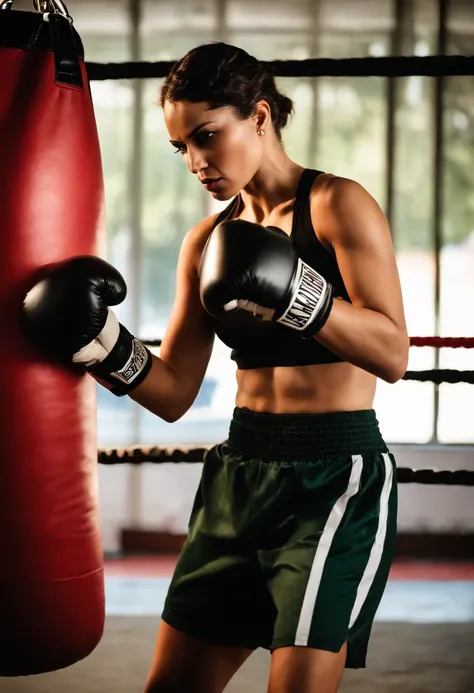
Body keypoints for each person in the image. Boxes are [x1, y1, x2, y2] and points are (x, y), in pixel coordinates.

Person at [21, 42, 409, 693]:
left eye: (208, 136)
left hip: (333, 478)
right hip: (238, 474)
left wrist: (296, 295)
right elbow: (174, 390)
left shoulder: (338, 205)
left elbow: (393, 352)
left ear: (259, 116)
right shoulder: (205, 241)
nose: (197, 162)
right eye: (181, 147)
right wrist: (99, 341)